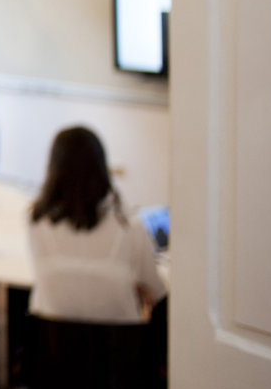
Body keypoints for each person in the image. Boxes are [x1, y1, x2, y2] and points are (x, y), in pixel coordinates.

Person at [27, 126, 167, 323]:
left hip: (51, 339)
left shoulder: (36, 222)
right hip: (119, 340)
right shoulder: (128, 226)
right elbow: (156, 290)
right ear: (102, 168)